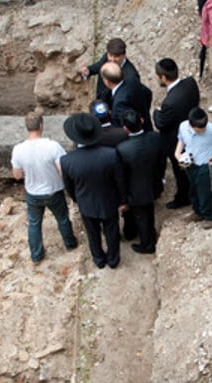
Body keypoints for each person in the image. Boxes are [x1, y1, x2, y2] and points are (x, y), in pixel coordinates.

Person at [60, 113, 126, 269]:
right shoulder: (110, 155)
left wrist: (77, 199)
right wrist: (122, 200)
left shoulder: (67, 160)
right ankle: (113, 259)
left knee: (92, 233)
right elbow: (120, 180)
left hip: (86, 203)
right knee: (112, 231)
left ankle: (98, 258)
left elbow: (68, 186)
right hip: (109, 200)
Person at [11, 112, 78, 264]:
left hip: (33, 193)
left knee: (34, 224)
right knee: (62, 219)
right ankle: (70, 244)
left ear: (27, 128)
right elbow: (62, 170)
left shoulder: (18, 149)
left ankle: (36, 255)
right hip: (53, 190)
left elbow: (17, 175)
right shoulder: (53, 146)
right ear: (41, 126)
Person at [152, 59, 200, 209]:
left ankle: (184, 197)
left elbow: (161, 124)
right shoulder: (190, 83)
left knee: (180, 171)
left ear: (164, 78)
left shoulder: (170, 103)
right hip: (193, 131)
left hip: (176, 140)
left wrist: (156, 112)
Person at [115, 109, 165, 255]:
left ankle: (147, 245)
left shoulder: (122, 149)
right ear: (142, 121)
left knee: (142, 218)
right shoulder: (155, 138)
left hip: (135, 191)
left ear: (125, 128)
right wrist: (160, 180)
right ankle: (152, 234)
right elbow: (161, 161)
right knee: (150, 211)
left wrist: (123, 199)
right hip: (153, 184)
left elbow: (121, 177)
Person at [175, 107, 212, 229]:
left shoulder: (211, 129)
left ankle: (210, 217)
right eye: (199, 129)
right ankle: (198, 212)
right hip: (190, 164)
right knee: (193, 190)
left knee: (205, 192)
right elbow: (181, 139)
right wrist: (178, 154)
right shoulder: (183, 126)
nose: (202, 130)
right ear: (191, 124)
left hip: (206, 166)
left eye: (203, 128)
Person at [83, 37, 139, 104]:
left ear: (124, 55)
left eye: (116, 56)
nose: (112, 59)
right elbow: (98, 66)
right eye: (110, 55)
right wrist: (88, 71)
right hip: (100, 104)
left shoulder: (131, 76)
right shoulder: (106, 58)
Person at [100, 61, 152, 131]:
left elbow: (125, 128)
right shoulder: (133, 80)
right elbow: (148, 93)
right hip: (146, 125)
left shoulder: (119, 104)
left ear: (107, 81)